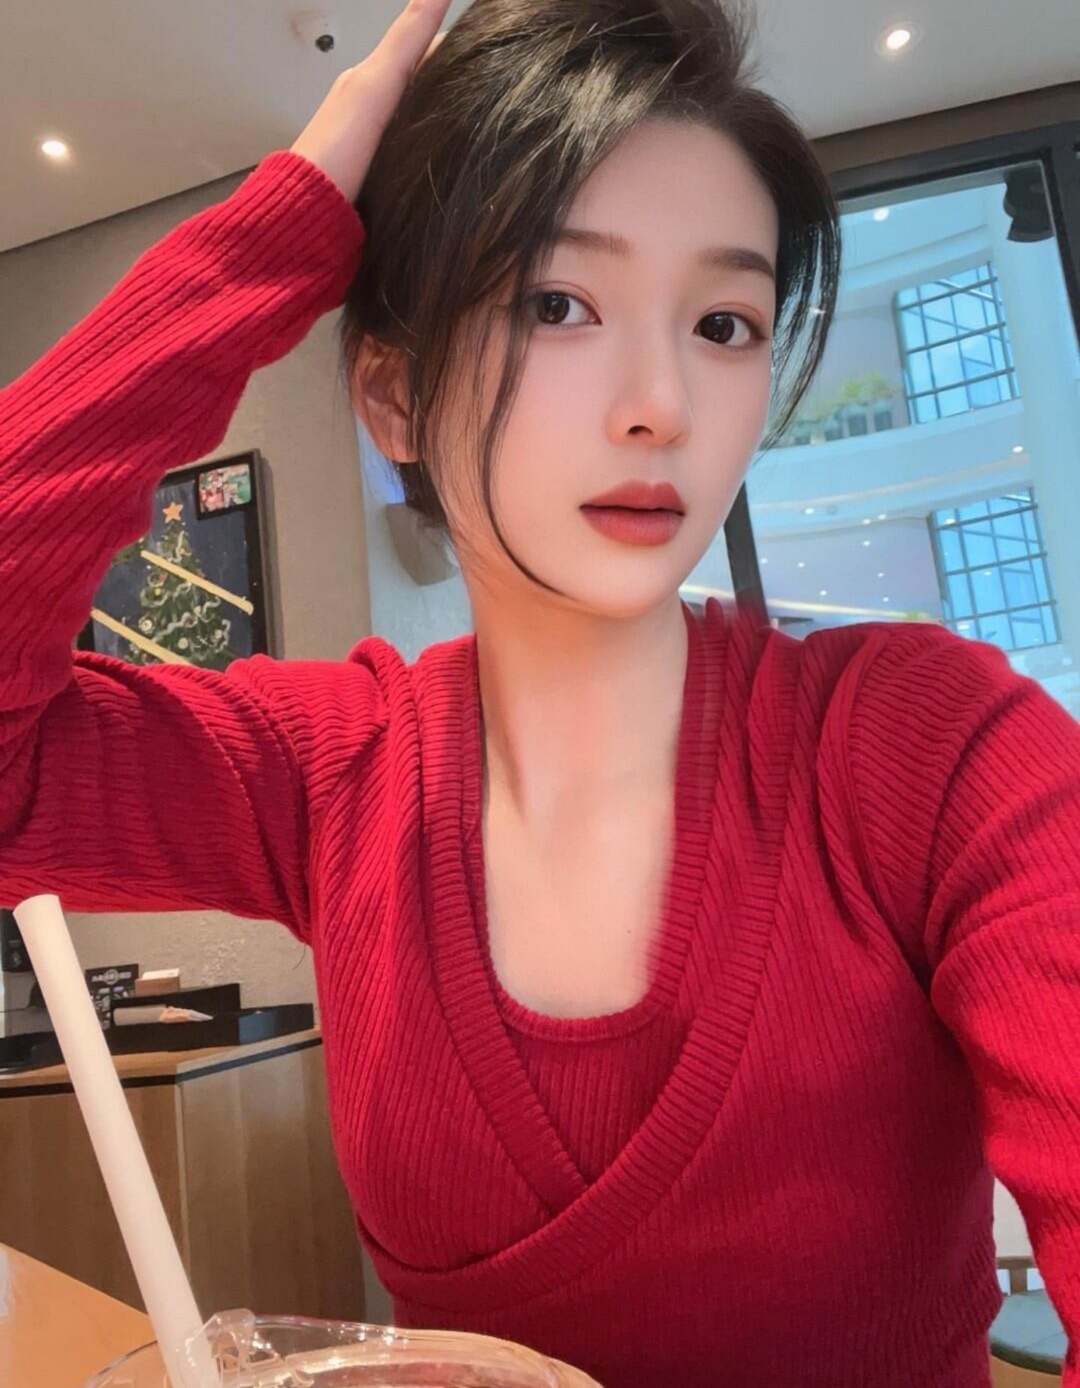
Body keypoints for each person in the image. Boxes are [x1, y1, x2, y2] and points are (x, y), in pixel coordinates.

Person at [0, 0, 1077, 1383]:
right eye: (557, 304)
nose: (662, 404)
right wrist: (278, 230)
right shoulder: (331, 772)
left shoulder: (938, 751)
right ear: (392, 397)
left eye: (726, 322)